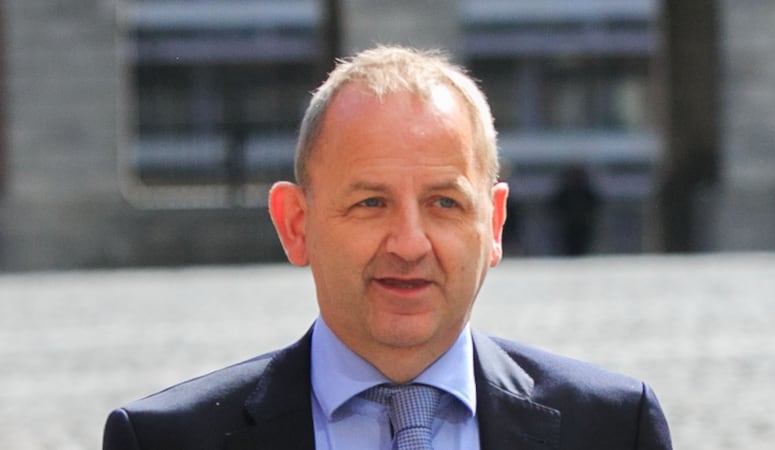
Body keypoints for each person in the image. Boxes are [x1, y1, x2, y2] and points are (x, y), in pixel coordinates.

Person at [103, 46, 672, 450]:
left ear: (494, 223)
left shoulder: (613, 430)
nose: (409, 244)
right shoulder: (165, 440)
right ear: (295, 224)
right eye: (371, 203)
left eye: (444, 203)